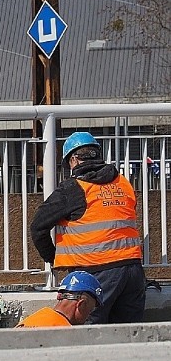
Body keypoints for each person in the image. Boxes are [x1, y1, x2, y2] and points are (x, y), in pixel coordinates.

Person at [30, 131, 146, 324]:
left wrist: (53, 259)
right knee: (129, 336)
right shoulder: (123, 183)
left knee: (91, 337)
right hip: (133, 272)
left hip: (95, 274)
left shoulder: (73, 188)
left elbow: (38, 228)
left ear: (74, 160)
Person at [16, 271, 103, 327]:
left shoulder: (36, 318)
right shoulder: (64, 333)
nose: (88, 317)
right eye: (90, 311)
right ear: (81, 305)